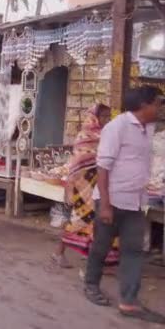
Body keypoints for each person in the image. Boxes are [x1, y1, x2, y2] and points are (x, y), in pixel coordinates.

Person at [84, 86, 165, 324]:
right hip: (112, 199)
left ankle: (129, 301)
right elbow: (103, 167)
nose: (160, 107)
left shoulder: (148, 129)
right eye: (158, 103)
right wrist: (106, 205)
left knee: (133, 251)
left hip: (135, 202)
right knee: (102, 246)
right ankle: (91, 284)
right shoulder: (116, 127)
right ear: (144, 104)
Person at [51, 104, 116, 268]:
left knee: (96, 222)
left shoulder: (106, 135)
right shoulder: (85, 135)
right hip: (84, 185)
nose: (107, 120)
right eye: (104, 117)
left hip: (100, 184)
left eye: (109, 117)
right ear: (94, 117)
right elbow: (80, 162)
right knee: (80, 219)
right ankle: (58, 252)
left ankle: (93, 258)